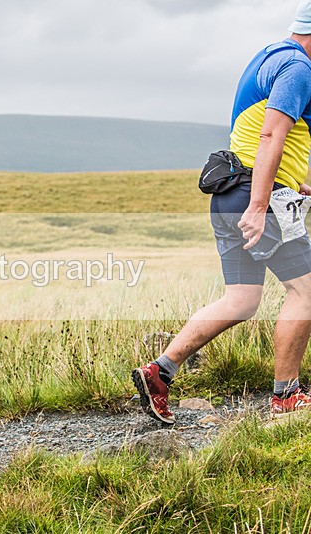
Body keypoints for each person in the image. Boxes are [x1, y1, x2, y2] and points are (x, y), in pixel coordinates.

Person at [133, 1, 311, 424]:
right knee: (306, 290)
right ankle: (287, 396)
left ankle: (160, 371)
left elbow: (262, 135)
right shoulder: (298, 68)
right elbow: (270, 134)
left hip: (230, 193)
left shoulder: (269, 57)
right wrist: (260, 205)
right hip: (256, 195)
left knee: (242, 299)